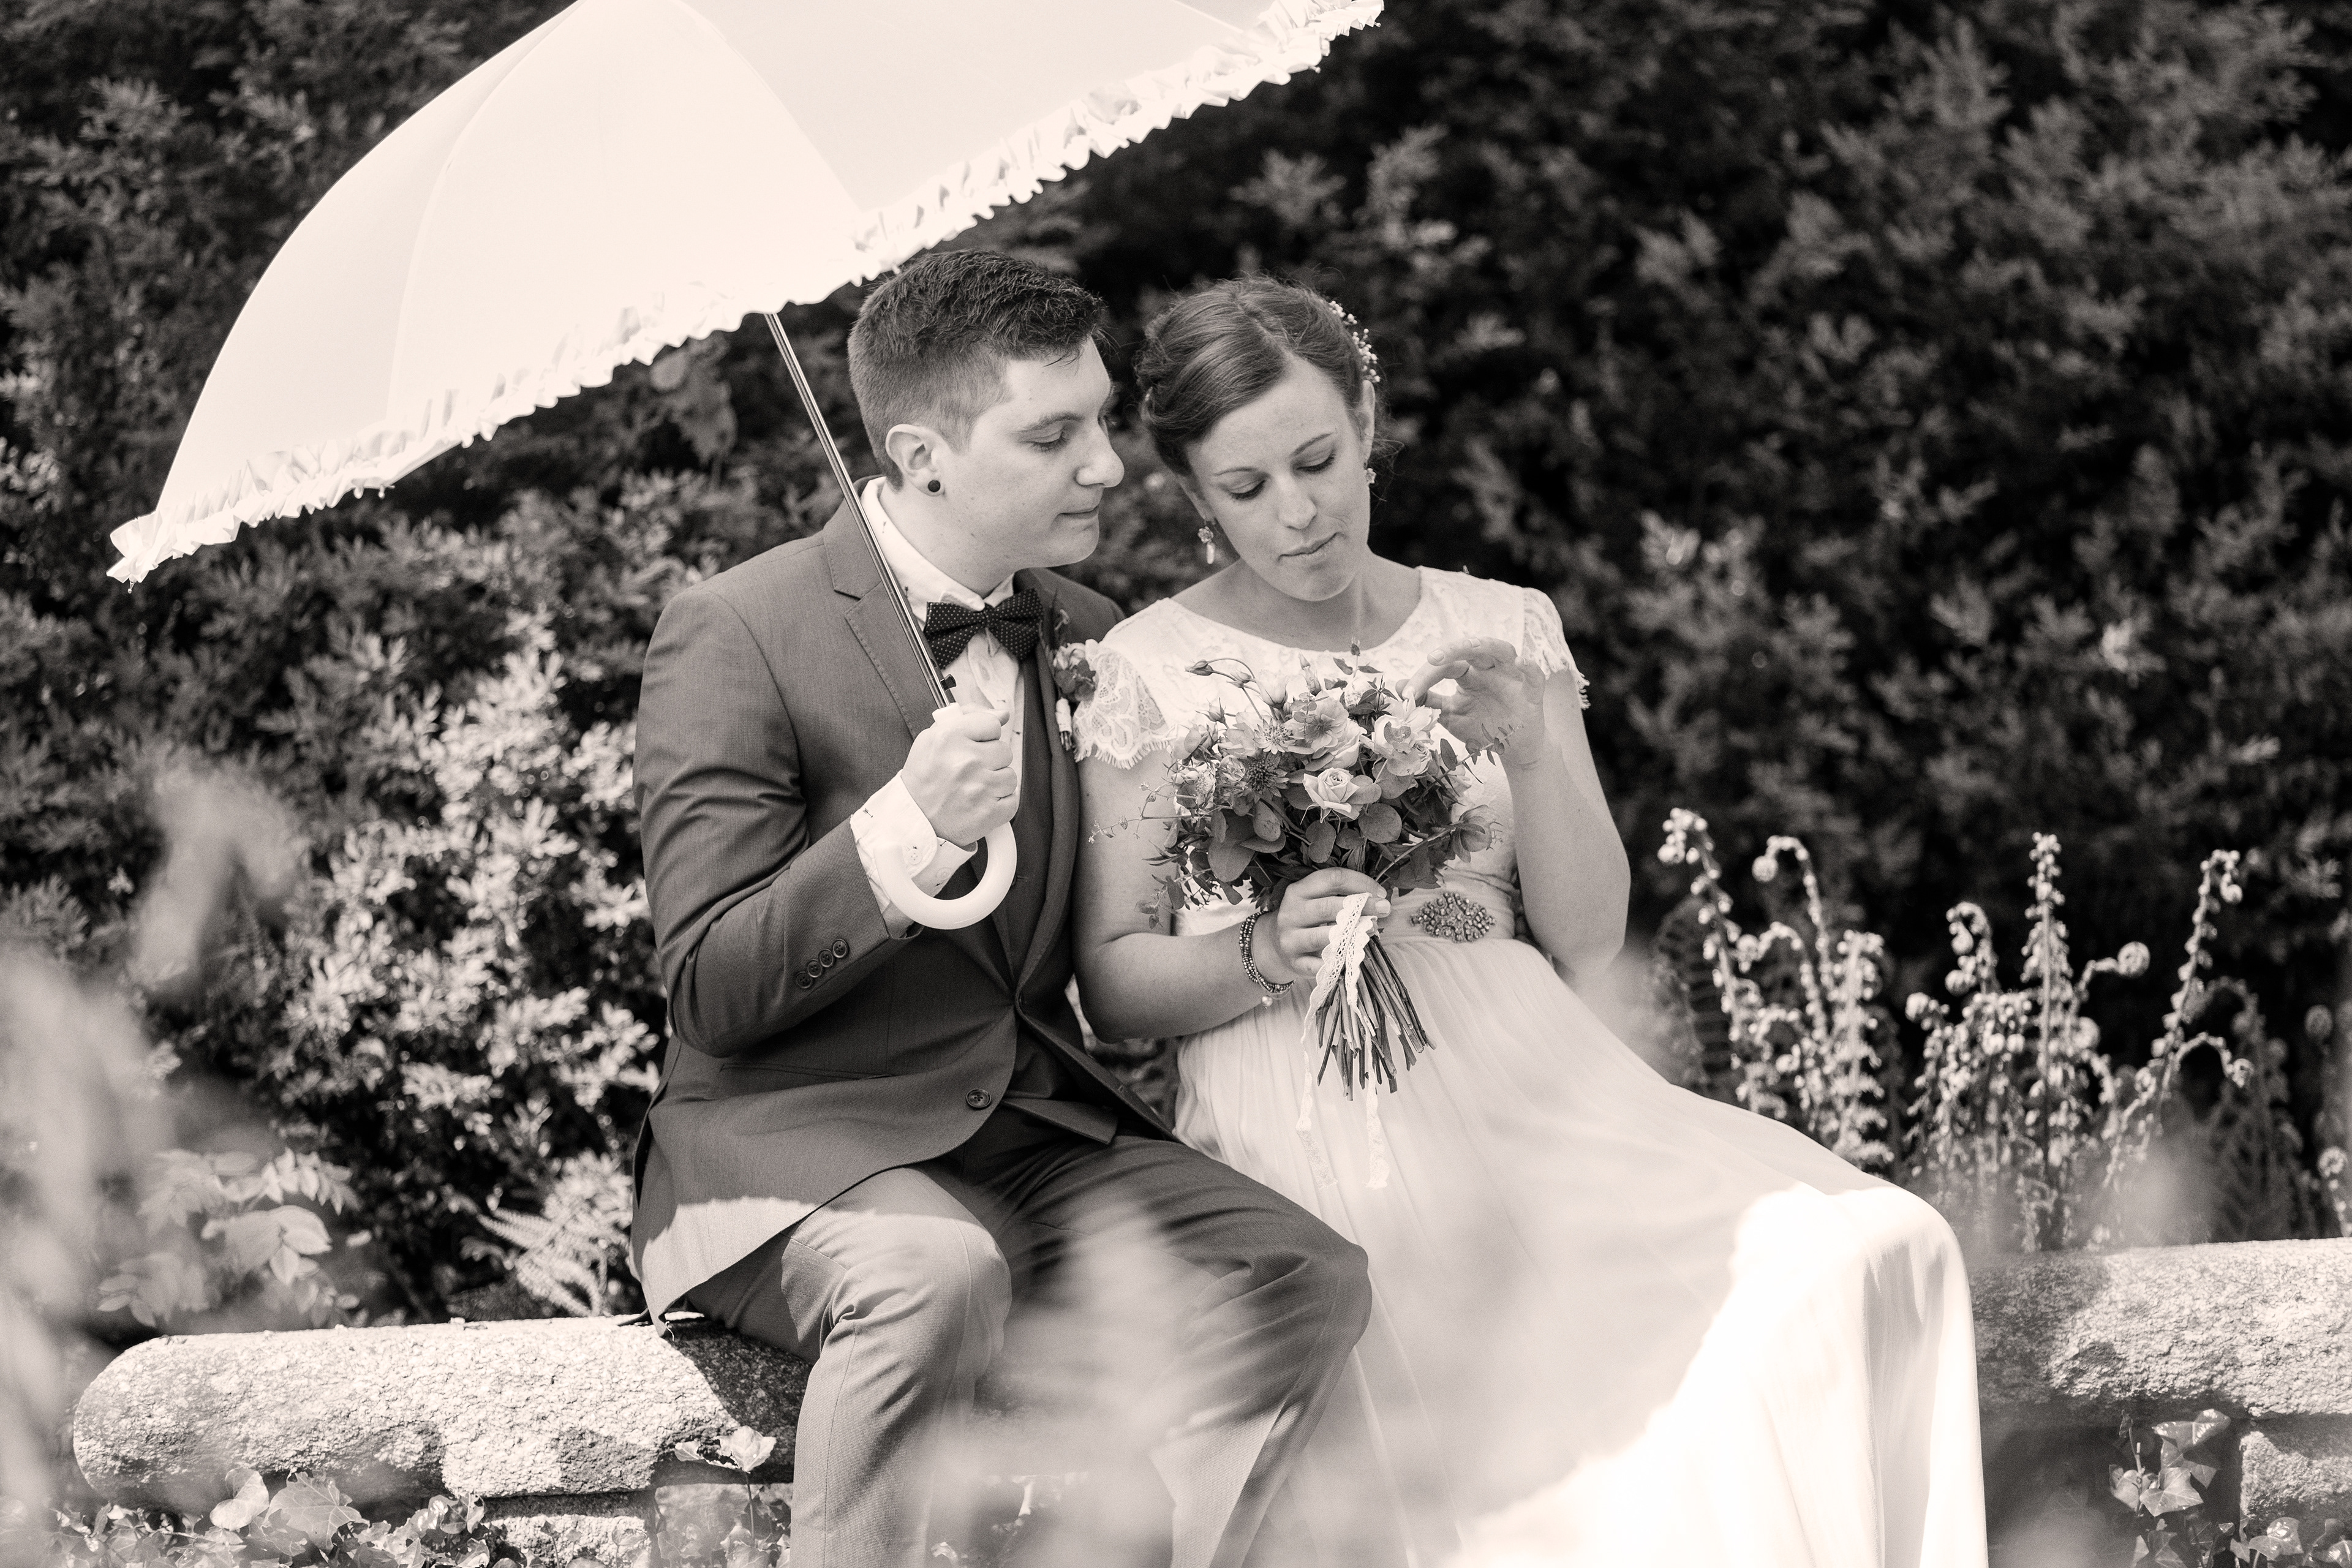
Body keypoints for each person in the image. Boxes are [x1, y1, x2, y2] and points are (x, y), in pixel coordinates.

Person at [1070, 276, 1989, 1566]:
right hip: (1315, 1103)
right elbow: (1111, 981)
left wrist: (1533, 749)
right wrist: (1262, 950)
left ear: (1368, 419)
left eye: (1320, 461)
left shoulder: (1501, 625)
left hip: (1540, 1078)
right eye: (1248, 486)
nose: (1299, 511)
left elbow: (1588, 937)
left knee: (1863, 1250)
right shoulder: (1146, 669)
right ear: (1193, 495)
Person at [628, 252, 1385, 1568]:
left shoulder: (1086, 629)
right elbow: (708, 985)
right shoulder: (736, 629)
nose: (1108, 465)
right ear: (922, 455)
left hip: (1027, 1130)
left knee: (1303, 1270)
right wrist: (904, 830)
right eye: (1054, 436)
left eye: (1100, 422)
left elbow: (1107, 949)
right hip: (794, 1153)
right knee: (937, 1275)